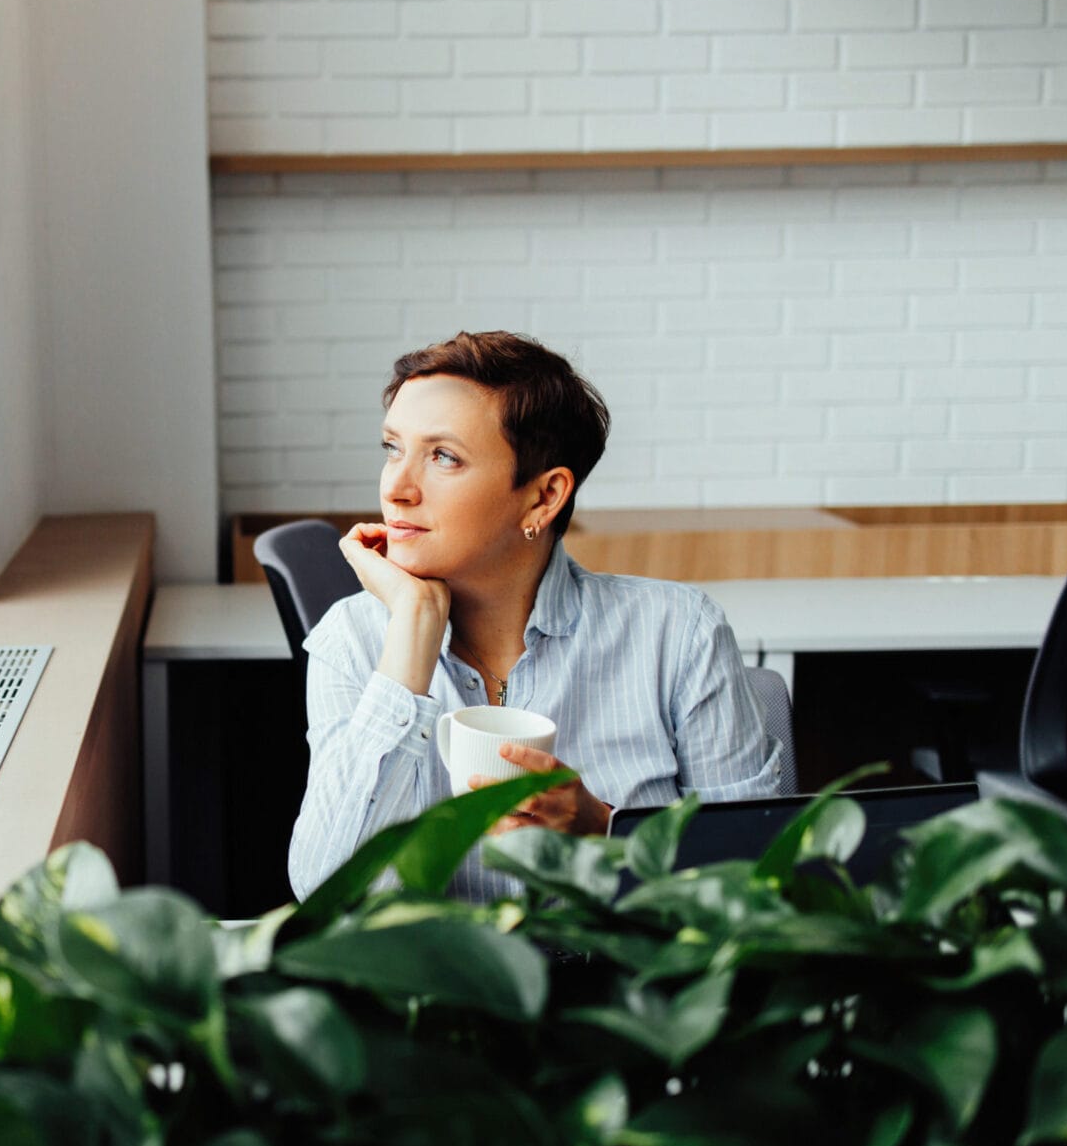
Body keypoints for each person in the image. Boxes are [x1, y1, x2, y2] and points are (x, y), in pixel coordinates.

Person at [288, 331, 781, 902]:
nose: (396, 489)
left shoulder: (679, 633)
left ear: (544, 497)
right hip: (435, 988)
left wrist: (606, 832)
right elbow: (327, 894)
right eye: (393, 448)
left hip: (628, 984)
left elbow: (757, 879)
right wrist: (412, 637)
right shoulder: (352, 639)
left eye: (443, 457)